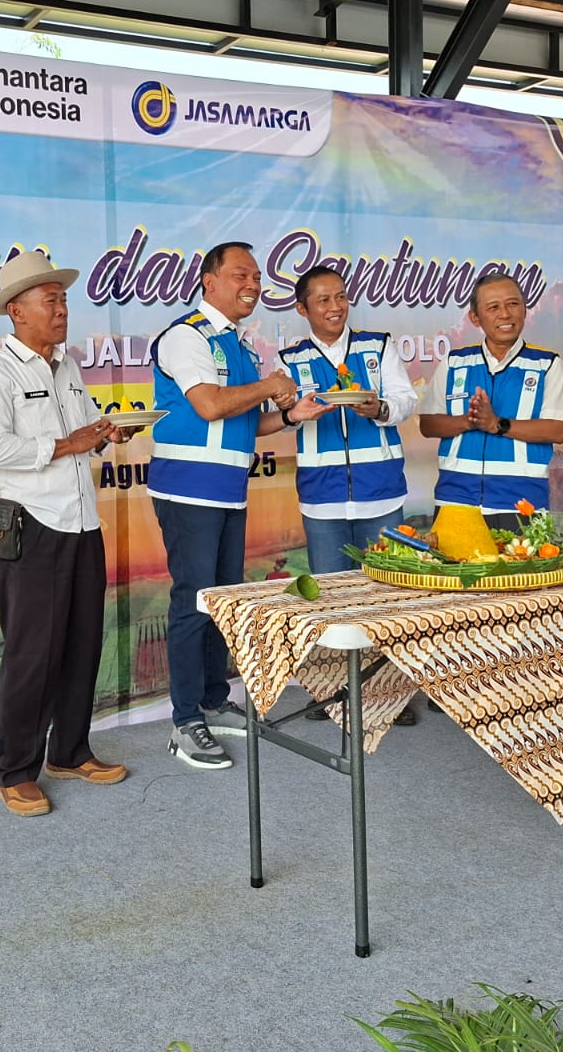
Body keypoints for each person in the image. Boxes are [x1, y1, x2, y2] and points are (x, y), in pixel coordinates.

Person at [0, 251, 139, 817]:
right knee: (32, 653)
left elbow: (82, 430)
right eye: (51, 300)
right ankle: (14, 769)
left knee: (82, 644)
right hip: (31, 525)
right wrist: (69, 443)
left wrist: (106, 432)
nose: (62, 308)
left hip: (82, 520)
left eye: (64, 298)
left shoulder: (67, 368)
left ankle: (69, 751)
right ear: (16, 311)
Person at [147, 241, 329, 769]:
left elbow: (248, 423)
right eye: (240, 274)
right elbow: (208, 406)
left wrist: (295, 416)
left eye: (256, 276)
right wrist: (272, 385)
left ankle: (210, 697)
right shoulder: (186, 336)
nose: (252, 284)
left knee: (221, 601)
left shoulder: (241, 346)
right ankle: (184, 722)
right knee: (192, 600)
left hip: (227, 488)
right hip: (187, 490)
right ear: (208, 280)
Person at [278, 264, 420, 724]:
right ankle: (336, 691)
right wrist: (296, 414)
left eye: (341, 297)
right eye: (323, 300)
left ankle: (389, 692)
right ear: (303, 309)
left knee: (385, 594)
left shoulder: (376, 346)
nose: (336, 307)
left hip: (380, 489)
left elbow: (404, 401)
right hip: (322, 494)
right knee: (331, 598)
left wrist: (377, 406)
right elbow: (278, 414)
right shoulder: (290, 359)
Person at [418, 272, 563, 530]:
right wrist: (469, 421)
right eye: (493, 307)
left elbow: (559, 429)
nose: (505, 314)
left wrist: (497, 424)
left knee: (522, 571)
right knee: (455, 572)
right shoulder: (454, 363)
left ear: (525, 309)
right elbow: (428, 425)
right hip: (455, 504)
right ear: (475, 318)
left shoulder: (547, 364)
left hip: (522, 504)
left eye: (513, 304)